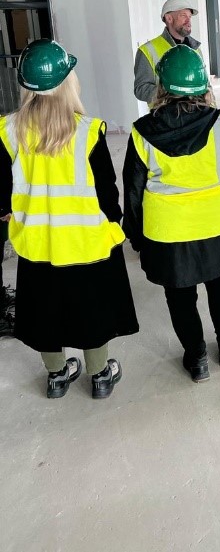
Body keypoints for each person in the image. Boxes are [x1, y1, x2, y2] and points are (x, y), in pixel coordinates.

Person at [0, 40, 138, 399]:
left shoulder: (8, 131)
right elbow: (108, 196)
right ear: (68, 82)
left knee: (45, 310)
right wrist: (115, 227)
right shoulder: (88, 132)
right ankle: (100, 374)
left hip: (37, 244)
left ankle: (57, 375)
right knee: (91, 307)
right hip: (85, 242)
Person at [123, 45, 220, 383]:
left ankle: (196, 358)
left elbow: (133, 192)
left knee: (179, 294)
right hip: (216, 225)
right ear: (202, 87)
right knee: (219, 282)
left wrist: (135, 236)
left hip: (168, 234)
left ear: (161, 88)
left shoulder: (141, 132)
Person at [134, 0, 210, 105]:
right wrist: (170, 96)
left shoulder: (196, 49)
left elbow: (207, 85)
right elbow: (140, 89)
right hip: (164, 118)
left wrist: (211, 110)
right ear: (169, 18)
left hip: (197, 116)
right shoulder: (147, 50)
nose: (188, 21)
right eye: (183, 16)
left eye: (190, 16)